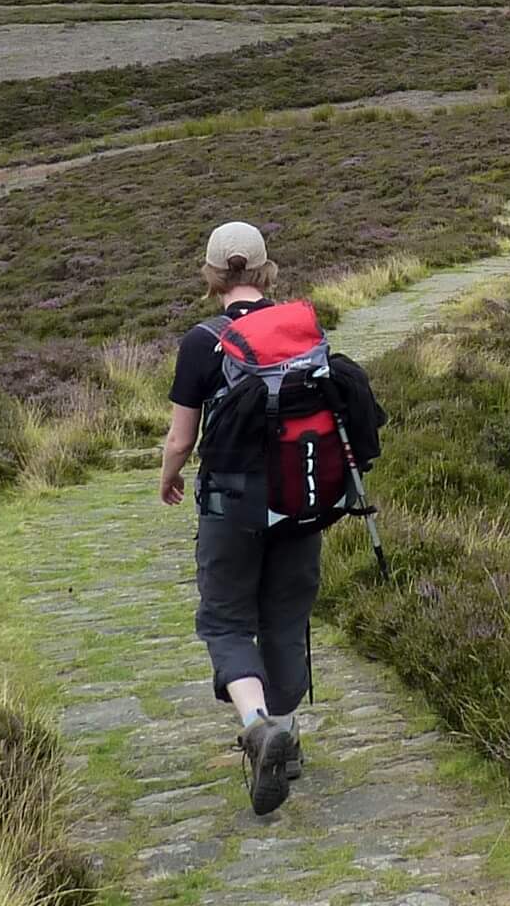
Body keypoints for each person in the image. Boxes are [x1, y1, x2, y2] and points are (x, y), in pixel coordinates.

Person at [157, 219, 318, 816]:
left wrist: (170, 477)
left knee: (225, 620)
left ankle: (257, 726)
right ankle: (288, 733)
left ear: (212, 274)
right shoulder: (300, 326)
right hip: (302, 500)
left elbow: (180, 439)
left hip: (230, 503)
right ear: (264, 269)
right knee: (286, 615)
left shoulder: (203, 340)